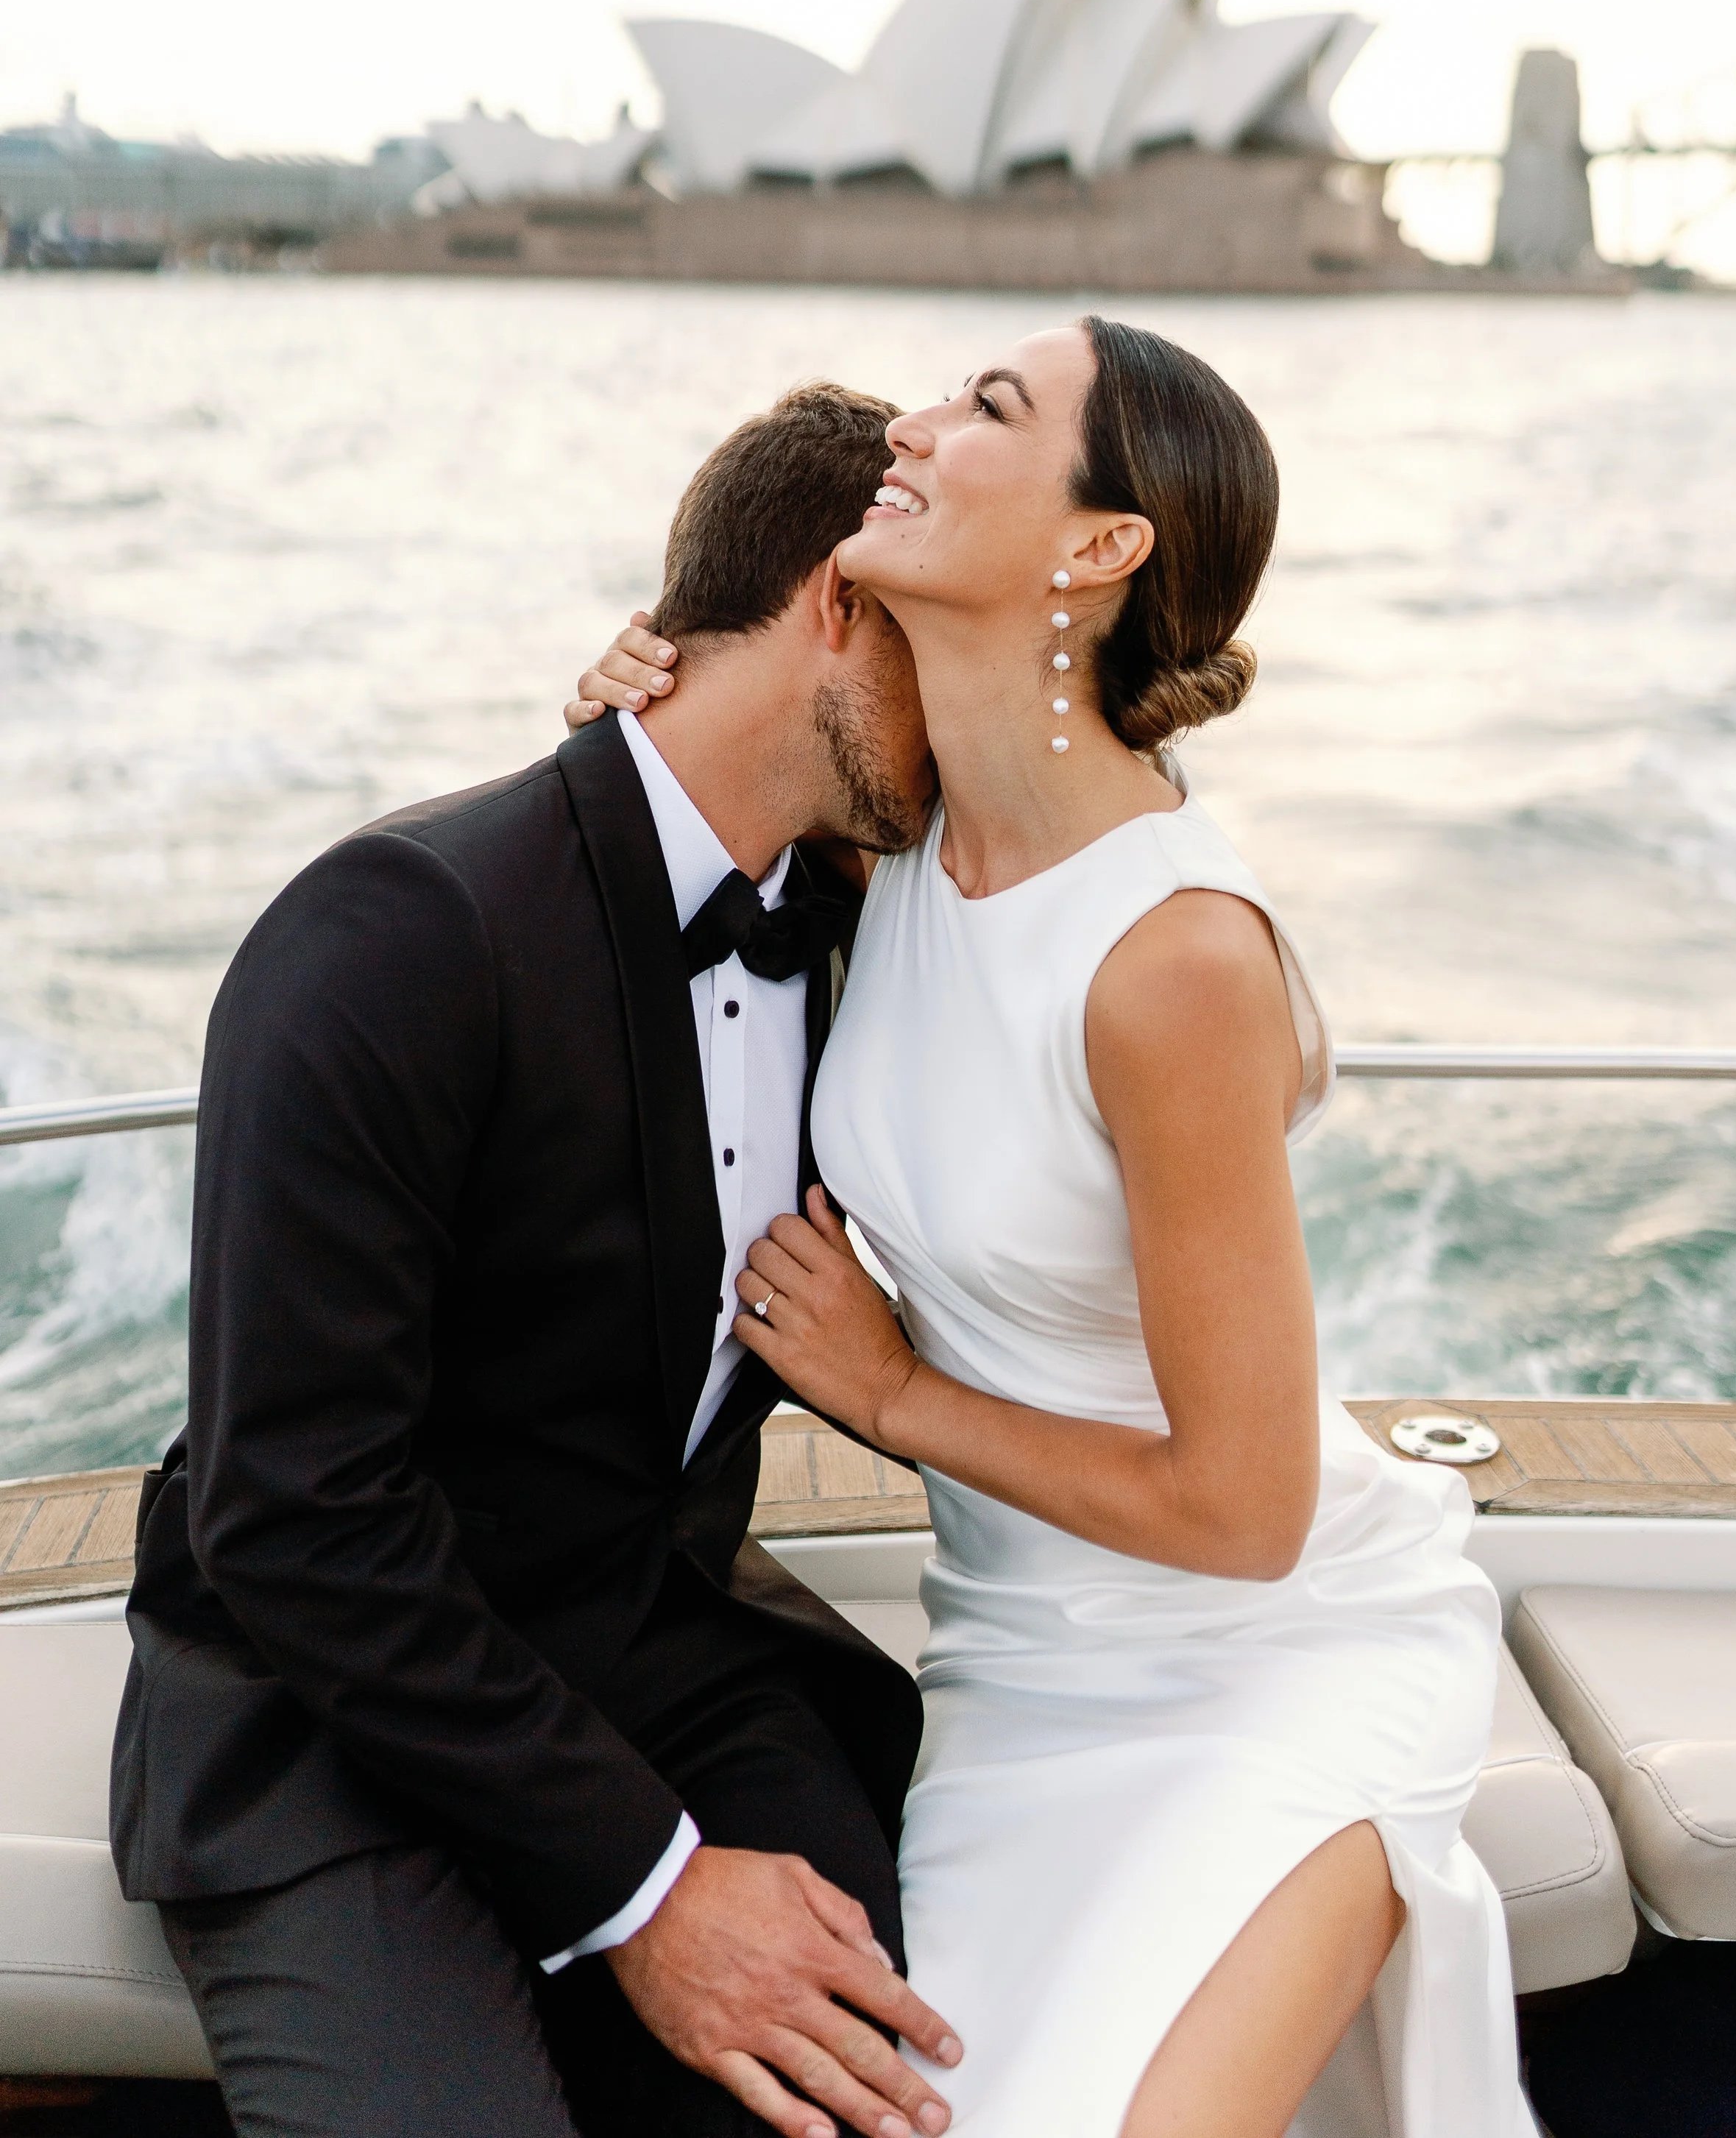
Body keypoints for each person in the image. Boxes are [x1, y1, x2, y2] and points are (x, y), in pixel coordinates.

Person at [578, 319, 1532, 2138]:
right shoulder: (898, 834)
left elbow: (1245, 1517)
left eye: (989, 408)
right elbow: (666, 856)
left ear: (1099, 551)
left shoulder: (1170, 959)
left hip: (1263, 1665)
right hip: (1015, 1670)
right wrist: (648, 684)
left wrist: (892, 1394)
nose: (913, 426)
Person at [111, 383, 966, 2138]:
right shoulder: (397, 931)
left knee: (884, 2074)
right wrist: (652, 1889)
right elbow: (294, 1514)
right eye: (942, 640)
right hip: (330, 1705)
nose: (969, 711)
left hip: (651, 1648)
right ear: (840, 600)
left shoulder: (854, 912)